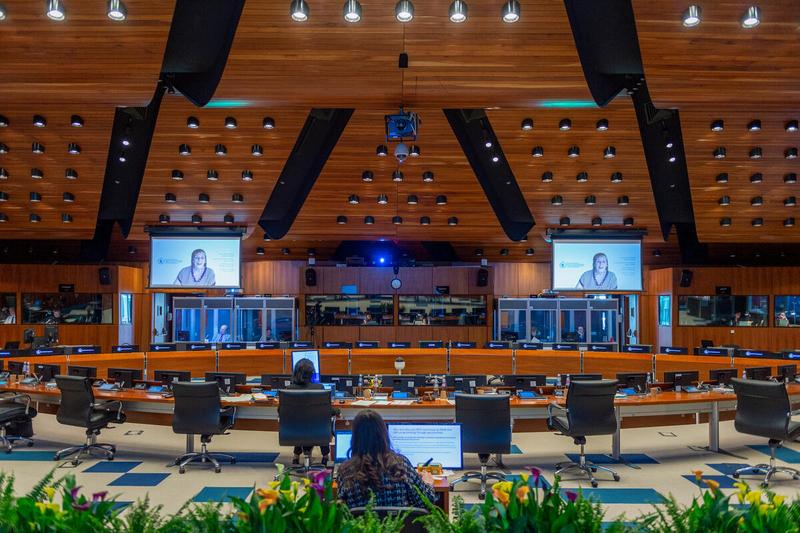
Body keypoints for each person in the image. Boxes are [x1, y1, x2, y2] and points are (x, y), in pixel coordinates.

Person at [337, 409, 436, 509]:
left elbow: (343, 511)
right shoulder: (401, 464)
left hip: (362, 525)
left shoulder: (345, 471)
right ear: (383, 434)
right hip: (399, 524)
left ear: (355, 438)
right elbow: (426, 502)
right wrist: (428, 483)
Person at [283, 358, 335, 465]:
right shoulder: (319, 388)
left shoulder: (289, 389)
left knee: (300, 421)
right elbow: (326, 410)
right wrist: (337, 411)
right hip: (317, 431)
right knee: (320, 422)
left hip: (293, 432)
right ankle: (325, 456)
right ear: (312, 373)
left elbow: (281, 411)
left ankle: (296, 456)